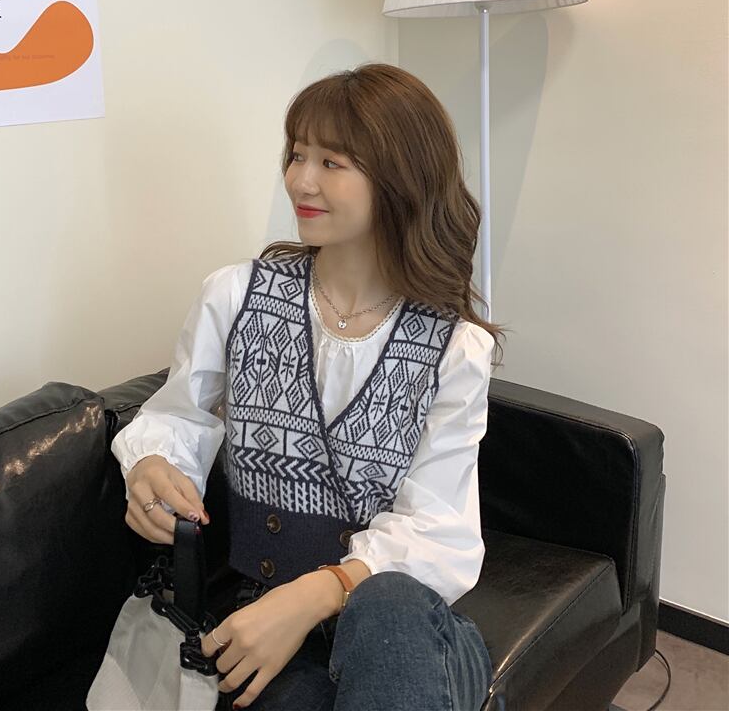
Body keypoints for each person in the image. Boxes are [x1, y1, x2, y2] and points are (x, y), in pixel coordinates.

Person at [111, 62, 509, 711]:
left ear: (400, 177)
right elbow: (178, 416)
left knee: (389, 604)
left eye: (332, 162)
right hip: (266, 627)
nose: (301, 180)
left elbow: (439, 528)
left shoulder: (454, 348)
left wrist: (318, 592)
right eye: (297, 155)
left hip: (401, 631)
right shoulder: (236, 298)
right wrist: (151, 464)